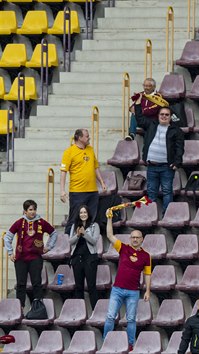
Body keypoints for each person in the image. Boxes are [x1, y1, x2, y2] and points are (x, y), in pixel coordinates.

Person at [103, 209, 151, 352]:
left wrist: (148, 290)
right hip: (117, 289)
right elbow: (109, 235)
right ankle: (106, 341)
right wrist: (109, 218)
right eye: (132, 237)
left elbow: (147, 274)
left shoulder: (146, 256)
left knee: (131, 319)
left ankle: (130, 345)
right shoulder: (123, 248)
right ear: (130, 239)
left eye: (137, 237)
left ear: (142, 239)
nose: (135, 239)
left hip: (133, 292)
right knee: (110, 316)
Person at [4, 200, 57, 310]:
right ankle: (20, 308)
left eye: (34, 209)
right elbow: (8, 237)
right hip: (20, 258)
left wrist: (49, 247)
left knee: (37, 283)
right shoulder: (19, 222)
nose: (33, 212)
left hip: (35, 258)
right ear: (25, 211)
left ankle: (38, 308)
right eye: (30, 210)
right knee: (21, 284)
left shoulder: (41, 222)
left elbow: (53, 233)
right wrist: (10, 252)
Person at [137, 106, 184, 211]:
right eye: (162, 114)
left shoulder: (176, 130)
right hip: (151, 167)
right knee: (151, 193)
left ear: (171, 117)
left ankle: (166, 216)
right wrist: (138, 104)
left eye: (167, 114)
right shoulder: (151, 125)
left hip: (167, 167)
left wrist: (177, 162)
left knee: (167, 192)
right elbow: (139, 119)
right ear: (158, 116)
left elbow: (179, 148)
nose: (164, 116)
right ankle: (151, 215)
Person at [60, 128, 107, 234]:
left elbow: (95, 167)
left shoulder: (90, 149)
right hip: (77, 192)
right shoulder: (69, 152)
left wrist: (102, 182)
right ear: (79, 138)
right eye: (86, 136)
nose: (89, 137)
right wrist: (62, 190)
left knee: (91, 219)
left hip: (92, 191)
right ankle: (68, 243)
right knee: (74, 218)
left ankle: (87, 243)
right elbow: (63, 172)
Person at [68, 205, 100, 309]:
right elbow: (70, 241)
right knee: (78, 287)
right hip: (77, 258)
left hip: (90, 258)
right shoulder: (74, 226)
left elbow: (94, 241)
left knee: (91, 286)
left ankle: (95, 311)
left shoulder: (94, 225)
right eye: (81, 212)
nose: (83, 214)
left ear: (88, 213)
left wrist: (84, 233)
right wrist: (77, 235)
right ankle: (79, 311)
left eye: (85, 212)